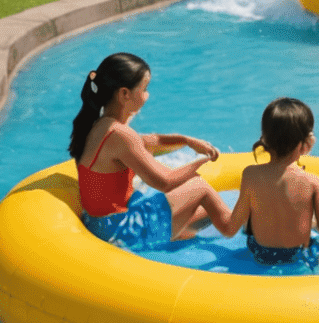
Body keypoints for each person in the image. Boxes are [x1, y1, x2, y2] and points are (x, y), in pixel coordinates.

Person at [68, 51, 231, 248]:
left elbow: (151, 141)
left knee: (203, 214)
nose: (147, 95)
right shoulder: (119, 135)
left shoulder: (98, 125)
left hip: (99, 224)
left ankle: (175, 235)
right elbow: (166, 182)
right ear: (124, 94)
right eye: (144, 89)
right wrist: (202, 161)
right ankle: (237, 228)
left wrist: (187, 141)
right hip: (118, 231)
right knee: (200, 187)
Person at [217, 98, 319, 269]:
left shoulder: (250, 175)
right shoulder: (313, 182)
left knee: (251, 214)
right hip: (296, 255)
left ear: (265, 140)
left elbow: (231, 229)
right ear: (307, 144)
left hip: (260, 252)